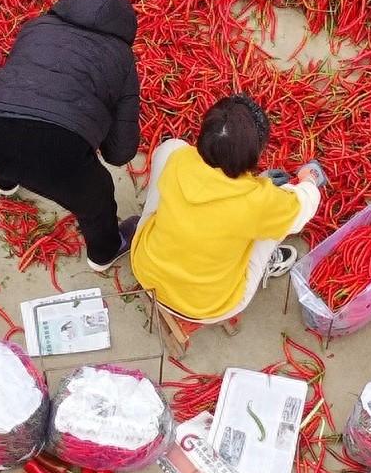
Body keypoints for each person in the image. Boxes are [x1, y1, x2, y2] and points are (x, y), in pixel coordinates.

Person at [0, 0, 142, 271]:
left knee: (12, 125)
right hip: (56, 151)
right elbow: (120, 151)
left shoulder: (36, 27)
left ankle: (6, 181)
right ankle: (105, 252)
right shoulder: (122, 58)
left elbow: (19, 77)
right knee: (97, 198)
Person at [129, 97, 323, 324]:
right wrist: (308, 182)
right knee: (278, 224)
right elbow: (304, 206)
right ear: (254, 154)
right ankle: (268, 262)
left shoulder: (180, 159)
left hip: (147, 271)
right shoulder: (259, 201)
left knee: (169, 147)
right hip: (207, 306)